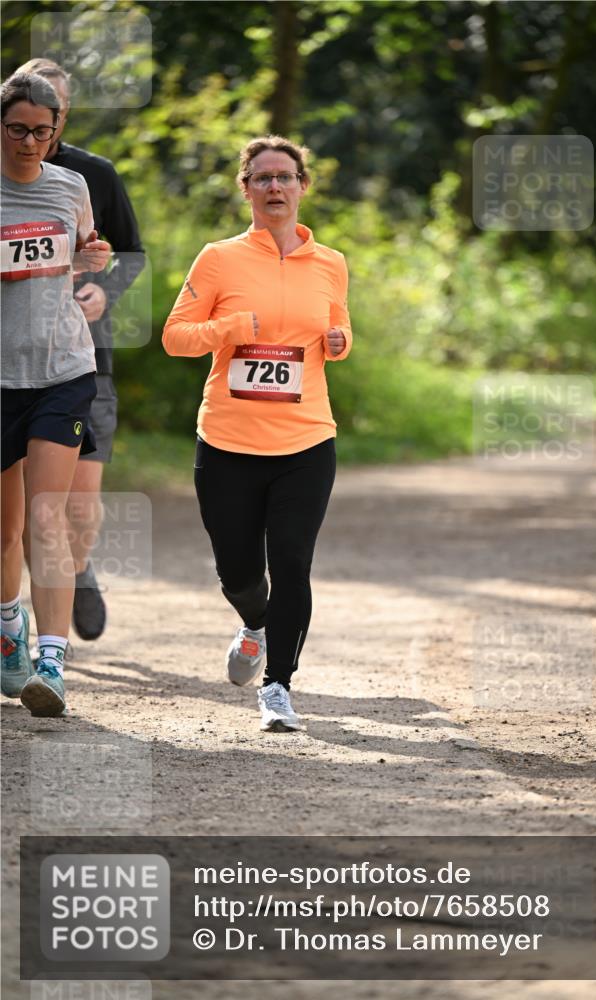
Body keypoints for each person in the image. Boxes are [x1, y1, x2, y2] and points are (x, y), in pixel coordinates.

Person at [163, 135, 352, 732]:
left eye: (285, 177)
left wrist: (341, 342)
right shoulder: (218, 258)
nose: (275, 187)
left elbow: (337, 328)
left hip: (306, 440)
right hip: (227, 442)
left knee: (292, 564)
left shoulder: (331, 263)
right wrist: (226, 328)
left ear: (303, 186)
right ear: (246, 188)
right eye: (263, 178)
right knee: (239, 573)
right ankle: (253, 625)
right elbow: (175, 336)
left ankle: (278, 687)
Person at [17, 58, 146, 643]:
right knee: (22, 509)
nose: (43, 129)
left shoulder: (91, 175)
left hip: (83, 356)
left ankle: (79, 566)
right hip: (10, 361)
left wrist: (102, 288)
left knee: (77, 502)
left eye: (55, 114)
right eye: (28, 118)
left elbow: (130, 253)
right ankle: (21, 626)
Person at [1, 72, 110, 716]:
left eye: (45, 131)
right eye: (18, 129)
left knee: (47, 515)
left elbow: (74, 254)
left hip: (62, 369)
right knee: (5, 530)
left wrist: (89, 260)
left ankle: (52, 662)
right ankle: (9, 627)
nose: (31, 142)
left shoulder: (72, 185)